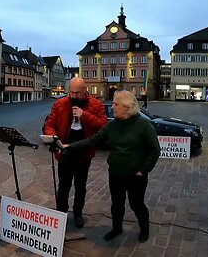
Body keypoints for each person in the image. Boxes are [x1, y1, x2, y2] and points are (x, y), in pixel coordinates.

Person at [64, 90, 160, 243]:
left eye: (116, 104)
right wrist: (71, 146)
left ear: (127, 107)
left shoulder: (144, 126)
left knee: (136, 204)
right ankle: (116, 228)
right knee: (117, 204)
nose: (113, 107)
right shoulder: (112, 126)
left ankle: (144, 229)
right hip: (115, 173)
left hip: (136, 175)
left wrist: (144, 169)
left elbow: (155, 150)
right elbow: (93, 140)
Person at [43, 77, 107, 228]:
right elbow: (49, 124)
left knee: (80, 186)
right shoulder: (60, 103)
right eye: (70, 92)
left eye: (77, 93)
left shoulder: (96, 105)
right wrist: (53, 138)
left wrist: (85, 115)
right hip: (64, 151)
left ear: (85, 90)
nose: (73, 96)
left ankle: (78, 213)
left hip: (83, 153)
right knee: (63, 186)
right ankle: (61, 213)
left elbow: (103, 127)